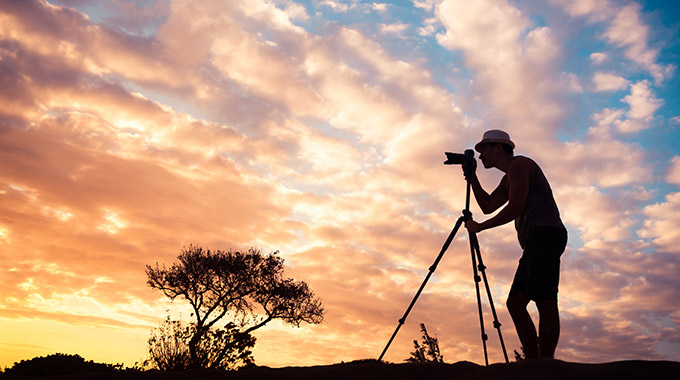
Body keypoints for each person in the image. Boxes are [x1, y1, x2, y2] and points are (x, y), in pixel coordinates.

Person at [463, 129, 567, 359]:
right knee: (516, 303)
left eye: (484, 150)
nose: (480, 156)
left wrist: (481, 227)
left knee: (544, 299)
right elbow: (488, 205)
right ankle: (533, 361)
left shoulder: (520, 165)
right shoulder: (507, 177)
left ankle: (544, 363)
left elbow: (515, 208)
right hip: (537, 239)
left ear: (498, 147)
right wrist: (473, 178)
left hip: (546, 235)